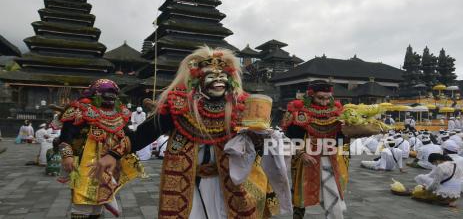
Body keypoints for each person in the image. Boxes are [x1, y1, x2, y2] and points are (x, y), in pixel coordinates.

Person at [92, 47, 287, 219]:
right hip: (187, 181)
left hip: (230, 181)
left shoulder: (242, 106)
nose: (218, 80)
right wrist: (113, 153)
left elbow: (259, 146)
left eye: (222, 75)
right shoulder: (178, 105)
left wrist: (263, 138)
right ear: (197, 80)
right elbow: (145, 133)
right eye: (211, 75)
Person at [281, 80, 386, 219]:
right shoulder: (298, 113)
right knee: (300, 199)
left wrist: (355, 131)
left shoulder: (338, 113)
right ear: (311, 95)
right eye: (320, 98)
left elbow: (340, 139)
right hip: (307, 161)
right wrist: (302, 154)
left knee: (334, 199)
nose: (324, 102)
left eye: (327, 98)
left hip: (330, 161)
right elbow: (290, 139)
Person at [59, 79, 142, 218]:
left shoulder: (119, 112)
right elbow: (66, 135)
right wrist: (67, 155)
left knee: (99, 200)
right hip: (85, 162)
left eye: (113, 93)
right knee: (82, 199)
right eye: (107, 93)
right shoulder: (81, 109)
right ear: (95, 93)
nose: (111, 97)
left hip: (109, 161)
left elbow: (128, 135)